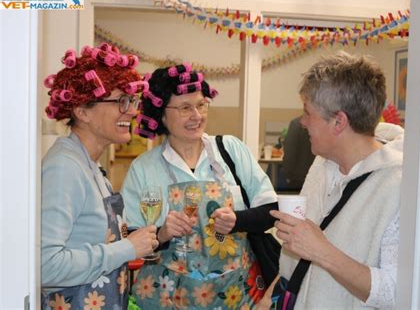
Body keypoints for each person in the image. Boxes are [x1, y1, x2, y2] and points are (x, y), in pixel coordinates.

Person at [121, 64, 278, 309]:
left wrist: (238, 219)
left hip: (238, 294)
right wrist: (162, 233)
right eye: (185, 108)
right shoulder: (144, 168)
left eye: (201, 105)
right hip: (169, 296)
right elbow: (130, 238)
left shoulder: (231, 150)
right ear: (161, 113)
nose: (197, 116)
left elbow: (271, 209)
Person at [265, 52, 404, 309]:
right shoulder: (322, 164)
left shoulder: (398, 187)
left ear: (338, 121)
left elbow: (395, 292)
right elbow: (300, 258)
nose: (302, 122)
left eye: (308, 113)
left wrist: (322, 251)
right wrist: (268, 298)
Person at [41, 43, 159, 309]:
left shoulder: (90, 166)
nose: (131, 111)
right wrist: (127, 249)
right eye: (121, 101)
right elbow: (45, 266)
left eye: (131, 101)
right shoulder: (64, 168)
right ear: (82, 111)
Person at [281, 115, 315, 191]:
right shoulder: (323, 124)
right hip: (317, 179)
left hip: (297, 179)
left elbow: (289, 154)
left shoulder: (296, 124)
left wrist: (288, 175)